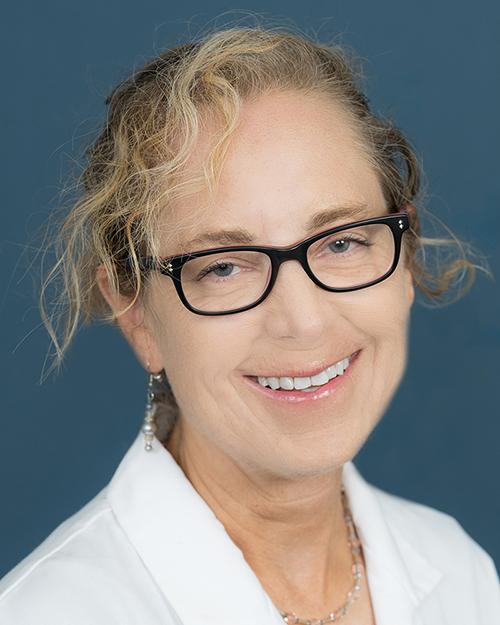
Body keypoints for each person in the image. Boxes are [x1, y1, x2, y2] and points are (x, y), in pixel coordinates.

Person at [0, 24, 498, 625]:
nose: (304, 321)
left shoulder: (460, 573)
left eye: (341, 243)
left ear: (404, 257)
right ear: (138, 317)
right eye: (225, 266)